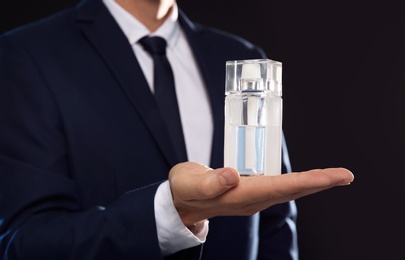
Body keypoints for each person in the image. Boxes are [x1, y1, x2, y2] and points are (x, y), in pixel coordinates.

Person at [0, 0, 354, 259]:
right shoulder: (27, 55)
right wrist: (172, 211)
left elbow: (274, 225)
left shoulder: (240, 55)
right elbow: (25, 243)